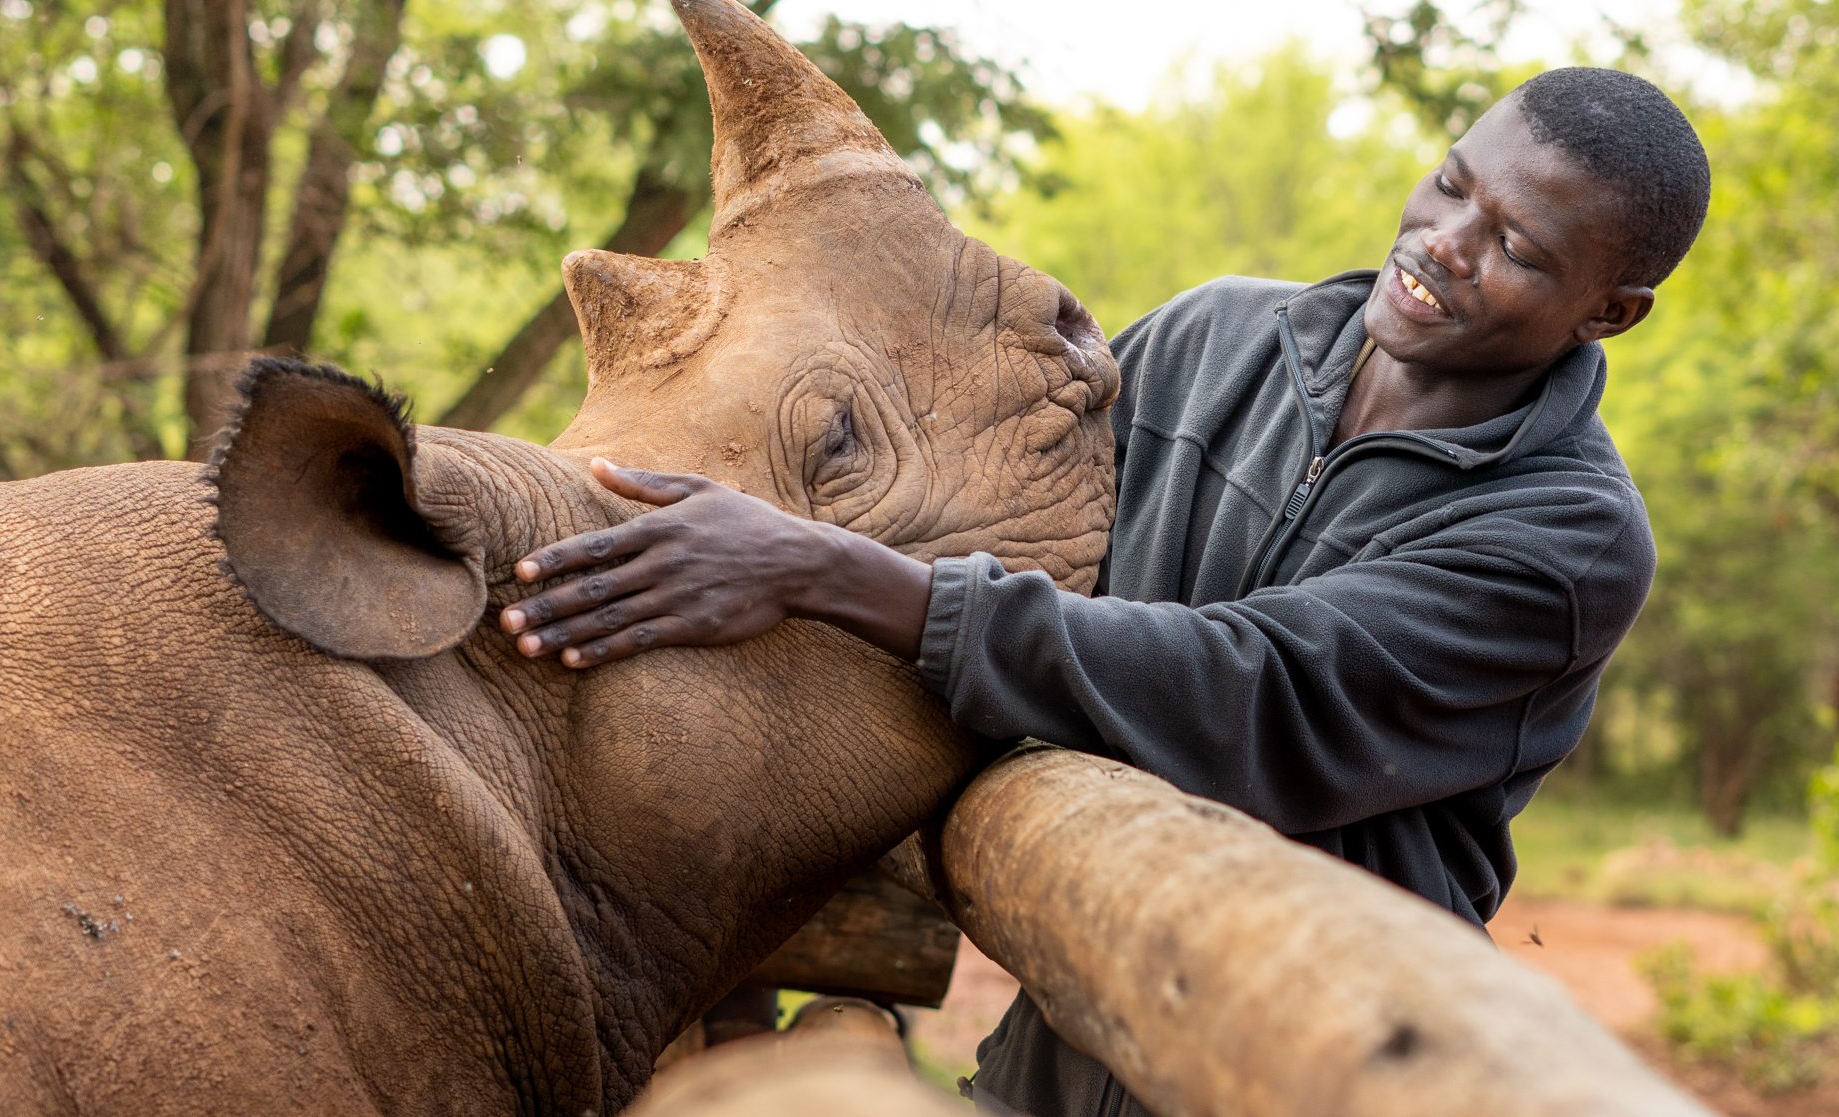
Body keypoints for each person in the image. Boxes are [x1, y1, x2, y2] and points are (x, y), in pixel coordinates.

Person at [497, 67, 1711, 1115]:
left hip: (1309, 1049)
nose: (1446, 240)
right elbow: (1005, 517)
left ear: (1608, 311)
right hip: (1071, 1020)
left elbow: (1254, 689)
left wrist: (822, 568)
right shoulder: (1213, 337)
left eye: (1517, 247)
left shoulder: (1565, 537)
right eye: (1453, 184)